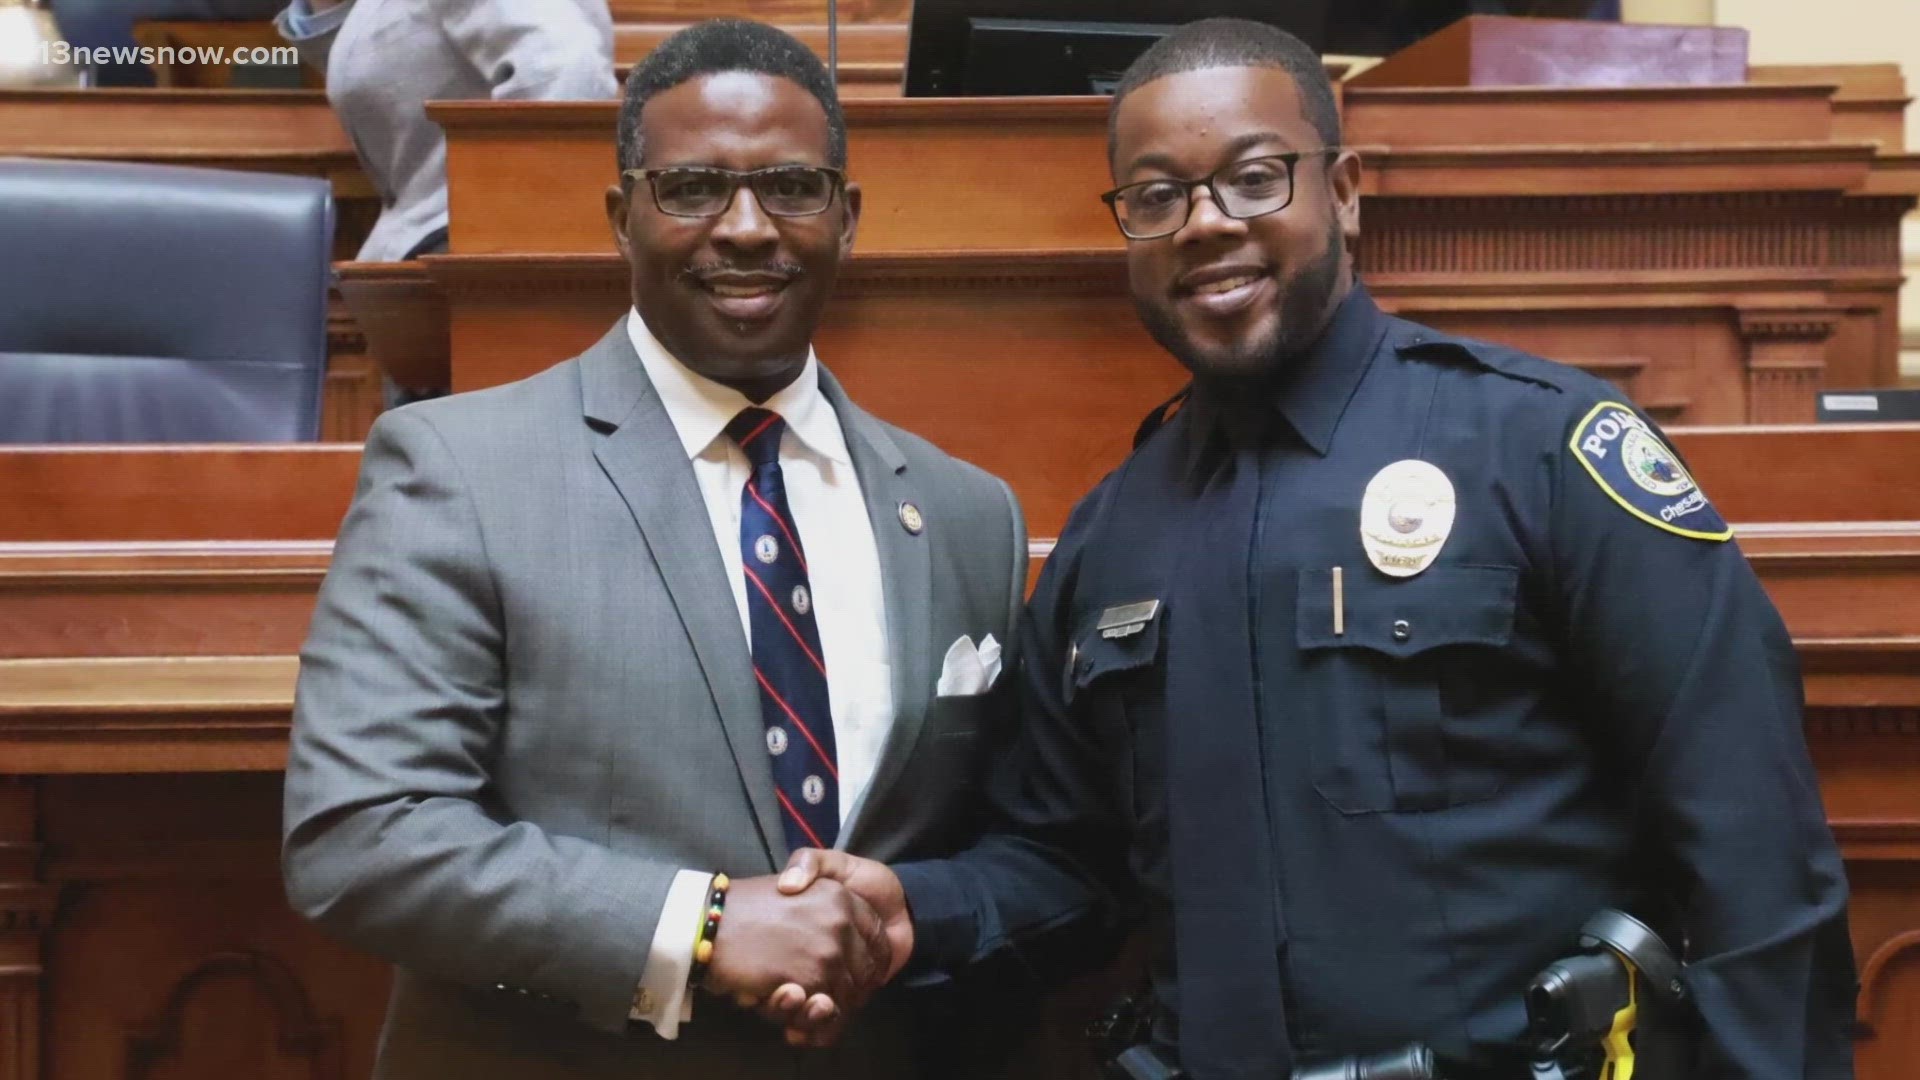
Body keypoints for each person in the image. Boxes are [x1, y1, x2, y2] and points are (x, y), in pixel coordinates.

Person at [779, 18, 1858, 1080]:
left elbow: (1752, 845)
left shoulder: (1537, 448)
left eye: (1255, 178)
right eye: (1157, 197)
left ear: (1341, 191)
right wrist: (916, 910)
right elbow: (1069, 865)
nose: (1205, 224)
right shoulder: (1112, 538)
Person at [281, 19, 1028, 1080]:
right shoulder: (456, 468)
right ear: (622, 218)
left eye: (792, 187)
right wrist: (702, 924)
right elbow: (361, 838)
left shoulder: (967, 514)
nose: (746, 227)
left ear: (847, 218)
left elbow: (1003, 846)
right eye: (690, 189)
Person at [274, 0, 616, 263]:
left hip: (474, 260)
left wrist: (488, 228)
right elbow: (383, 66)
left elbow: (568, 75)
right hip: (434, 247)